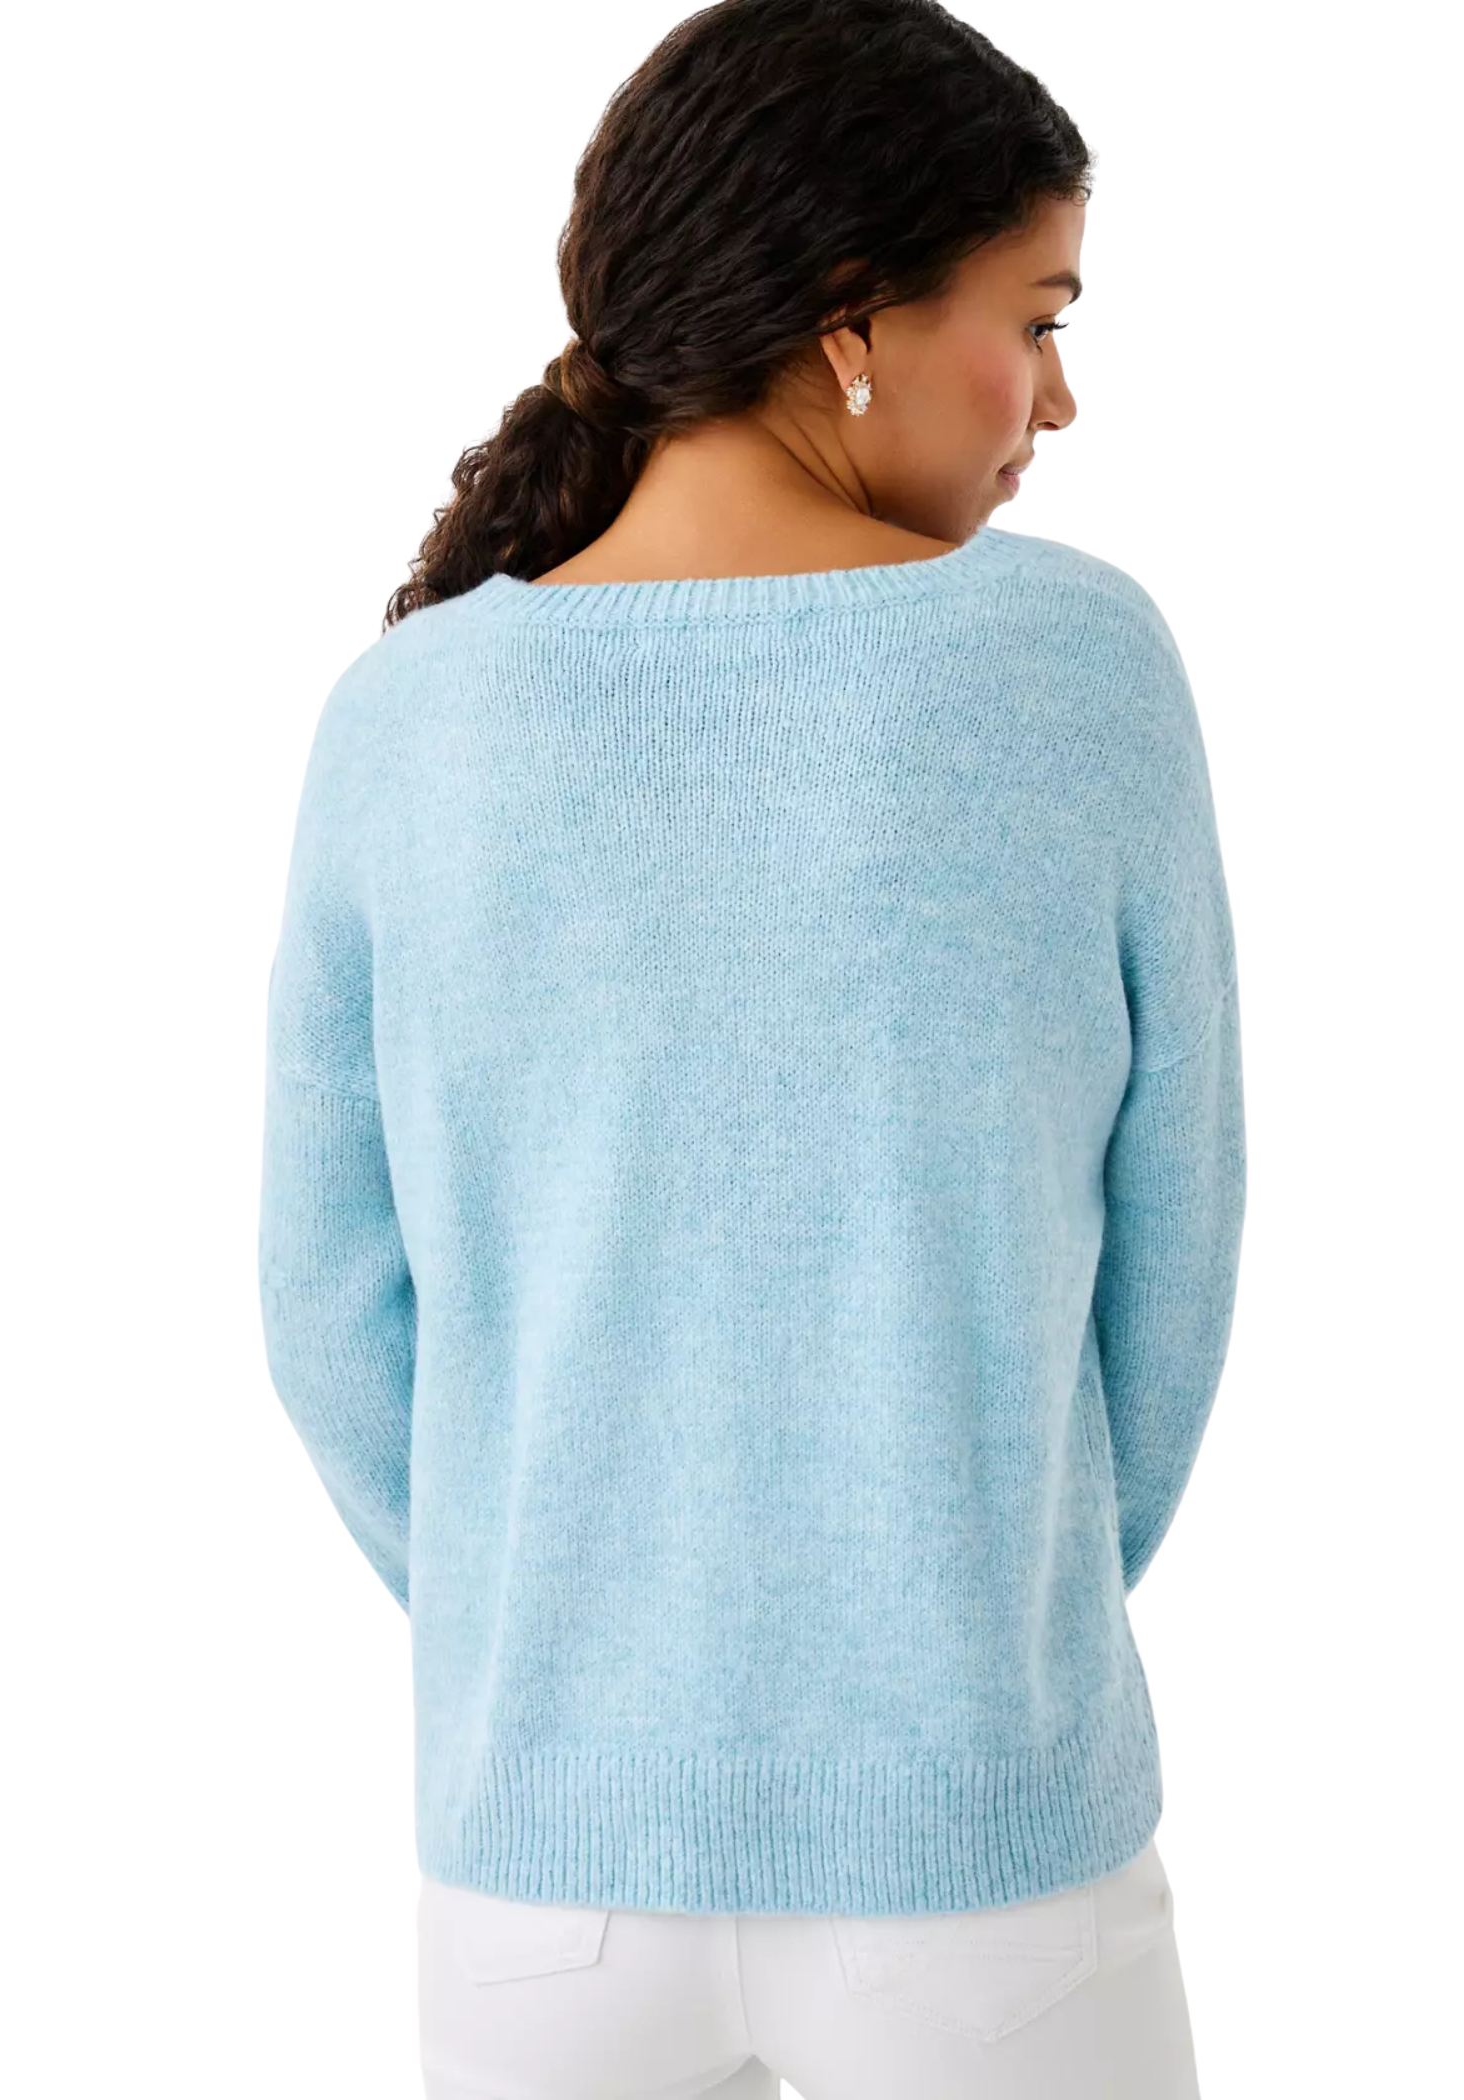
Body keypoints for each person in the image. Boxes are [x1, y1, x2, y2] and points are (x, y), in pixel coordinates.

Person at [257, 2, 1246, 2094]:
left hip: (541, 1887)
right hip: (980, 1850)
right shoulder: (1077, 666)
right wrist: (982, 1614)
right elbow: (1175, 1259)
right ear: (849, 318)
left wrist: (563, 1624)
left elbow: (330, 1314)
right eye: (1038, 318)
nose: (1061, 397)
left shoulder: (405, 717)